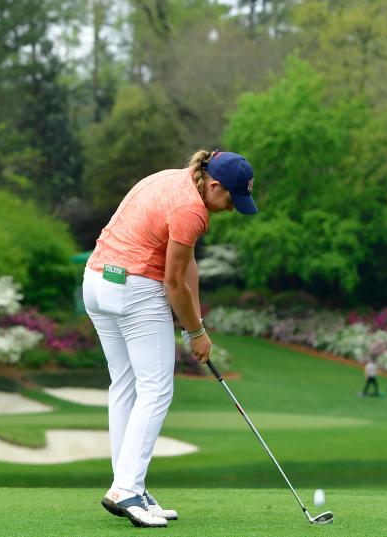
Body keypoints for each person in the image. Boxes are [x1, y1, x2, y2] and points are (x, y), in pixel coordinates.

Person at [82, 150, 257, 528]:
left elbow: (186, 266)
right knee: (156, 389)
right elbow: (172, 283)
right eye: (230, 198)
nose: (231, 207)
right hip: (134, 287)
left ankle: (128, 486)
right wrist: (195, 332)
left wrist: (196, 320)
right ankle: (127, 488)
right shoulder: (191, 210)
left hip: (97, 282)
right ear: (214, 185)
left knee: (125, 384)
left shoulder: (171, 178)